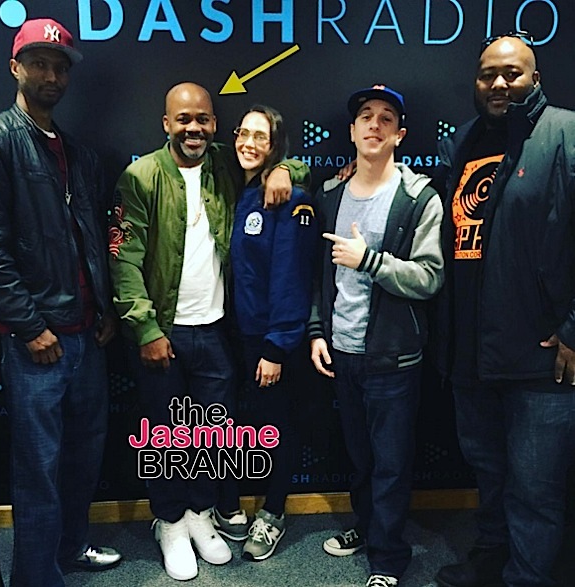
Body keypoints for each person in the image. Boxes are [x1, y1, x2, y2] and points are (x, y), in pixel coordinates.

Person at [109, 83, 308, 581]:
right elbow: (124, 261)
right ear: (166, 124)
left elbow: (282, 161)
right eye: (183, 119)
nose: (193, 128)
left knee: (209, 434)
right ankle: (170, 522)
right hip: (164, 332)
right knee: (166, 435)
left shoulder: (224, 164)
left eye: (202, 119)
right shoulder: (141, 176)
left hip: (218, 331)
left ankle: (200, 514)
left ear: (215, 125)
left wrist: (287, 170)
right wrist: (146, 329)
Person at [432, 32, 575, 587]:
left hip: (540, 359)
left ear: (535, 79)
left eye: (512, 73)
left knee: (536, 491)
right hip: (472, 354)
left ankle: (527, 578)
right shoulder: (462, 142)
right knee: (488, 474)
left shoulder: (564, 133)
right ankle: (492, 561)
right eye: (488, 73)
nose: (498, 83)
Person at [0, 18, 122, 587]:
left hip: (86, 334)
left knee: (84, 457)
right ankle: (36, 577)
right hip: (37, 342)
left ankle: (71, 548)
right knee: (38, 469)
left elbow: (91, 237)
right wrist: (27, 326)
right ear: (15, 68)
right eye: (39, 63)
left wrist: (105, 310)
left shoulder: (75, 151)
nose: (51, 75)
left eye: (60, 67)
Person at [309, 85, 444, 587]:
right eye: (366, 116)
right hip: (342, 352)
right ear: (351, 131)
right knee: (361, 460)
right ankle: (368, 530)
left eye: (386, 118)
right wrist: (318, 331)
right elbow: (320, 276)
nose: (374, 124)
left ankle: (387, 559)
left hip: (394, 358)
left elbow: (429, 277)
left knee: (390, 464)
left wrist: (370, 260)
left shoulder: (418, 199)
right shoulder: (330, 195)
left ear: (400, 135)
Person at [224, 105, 316, 561]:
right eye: (243, 133)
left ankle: (274, 513)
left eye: (261, 137)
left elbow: (290, 277)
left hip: (271, 342)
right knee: (245, 428)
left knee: (276, 429)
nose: (248, 143)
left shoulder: (288, 198)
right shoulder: (238, 189)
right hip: (235, 335)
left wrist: (277, 347)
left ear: (276, 145)